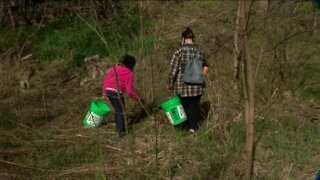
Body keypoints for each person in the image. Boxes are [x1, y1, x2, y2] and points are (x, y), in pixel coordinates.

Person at [167, 27, 208, 133]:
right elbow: (206, 66)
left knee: (184, 106)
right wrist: (201, 77)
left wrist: (170, 84)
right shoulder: (200, 50)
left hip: (182, 86)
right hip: (198, 85)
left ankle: (185, 129)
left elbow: (173, 69)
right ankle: (194, 129)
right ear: (193, 38)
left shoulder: (179, 51)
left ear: (183, 39)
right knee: (195, 106)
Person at [102, 55, 140, 138]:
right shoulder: (129, 74)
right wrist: (137, 99)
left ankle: (119, 128)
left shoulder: (115, 68)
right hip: (117, 93)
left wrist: (104, 92)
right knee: (121, 112)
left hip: (108, 91)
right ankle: (122, 133)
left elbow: (106, 80)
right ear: (131, 65)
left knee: (117, 110)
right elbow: (129, 91)